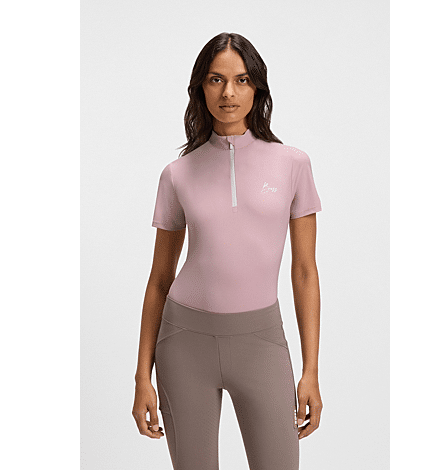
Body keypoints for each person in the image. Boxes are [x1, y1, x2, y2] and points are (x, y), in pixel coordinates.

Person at [132, 32, 323, 470]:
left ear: (258, 87)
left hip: (262, 343)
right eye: (216, 80)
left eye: (241, 80)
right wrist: (142, 375)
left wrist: (311, 370)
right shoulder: (177, 174)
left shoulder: (293, 164)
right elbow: (159, 279)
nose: (229, 93)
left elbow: (305, 271)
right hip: (184, 343)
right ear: (201, 87)